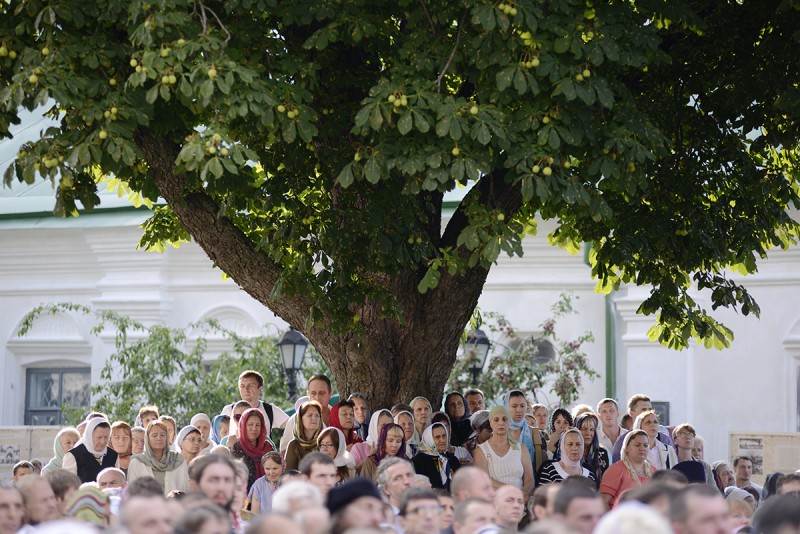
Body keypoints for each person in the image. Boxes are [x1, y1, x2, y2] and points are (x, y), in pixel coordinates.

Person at [473, 406, 534, 498]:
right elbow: (484, 480)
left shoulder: (521, 449)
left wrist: (523, 494)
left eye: (504, 419)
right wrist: (512, 491)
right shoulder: (481, 450)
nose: (500, 423)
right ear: (491, 423)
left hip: (519, 500)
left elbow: (530, 480)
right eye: (496, 420)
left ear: (509, 422)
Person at [128, 419, 189, 495]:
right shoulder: (137, 462)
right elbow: (132, 493)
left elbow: (185, 490)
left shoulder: (178, 460)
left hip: (174, 506)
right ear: (147, 438)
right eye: (154, 435)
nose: (159, 438)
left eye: (163, 435)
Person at [599, 429, 655, 508]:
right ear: (627, 448)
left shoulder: (653, 471)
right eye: (637, 445)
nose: (642, 448)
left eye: (645, 445)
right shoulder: (616, 470)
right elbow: (603, 502)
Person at [221, 370, 290, 431]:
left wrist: (284, 443)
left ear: (260, 389)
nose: (246, 389)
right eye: (242, 386)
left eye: (250, 386)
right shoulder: (229, 410)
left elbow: (291, 426)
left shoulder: (269, 410)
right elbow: (218, 434)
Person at [229, 408, 275, 492]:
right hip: (242, 498)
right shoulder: (235, 448)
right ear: (243, 425)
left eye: (258, 425)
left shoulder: (267, 448)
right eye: (250, 424)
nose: (254, 428)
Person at [62, 417, 119, 483]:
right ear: (89, 435)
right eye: (99, 437)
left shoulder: (113, 455)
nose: (103, 441)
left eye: (106, 437)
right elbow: (68, 485)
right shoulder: (73, 456)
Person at [506, 390, 547, 474]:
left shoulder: (534, 432)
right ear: (506, 407)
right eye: (514, 406)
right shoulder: (499, 432)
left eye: (522, 406)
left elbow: (543, 462)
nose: (519, 410)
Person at [413, 422, 461, 490]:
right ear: (429, 439)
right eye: (437, 437)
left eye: (444, 436)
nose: (442, 440)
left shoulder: (452, 459)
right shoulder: (419, 461)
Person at [285, 400, 323, 470]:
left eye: (317, 415)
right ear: (300, 419)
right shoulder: (294, 445)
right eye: (310, 415)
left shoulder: (324, 443)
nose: (314, 418)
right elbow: (289, 474)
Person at [573, 413, 609, 487]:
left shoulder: (602, 453)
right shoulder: (569, 451)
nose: (588, 433)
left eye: (591, 429)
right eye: (584, 429)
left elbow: (606, 481)